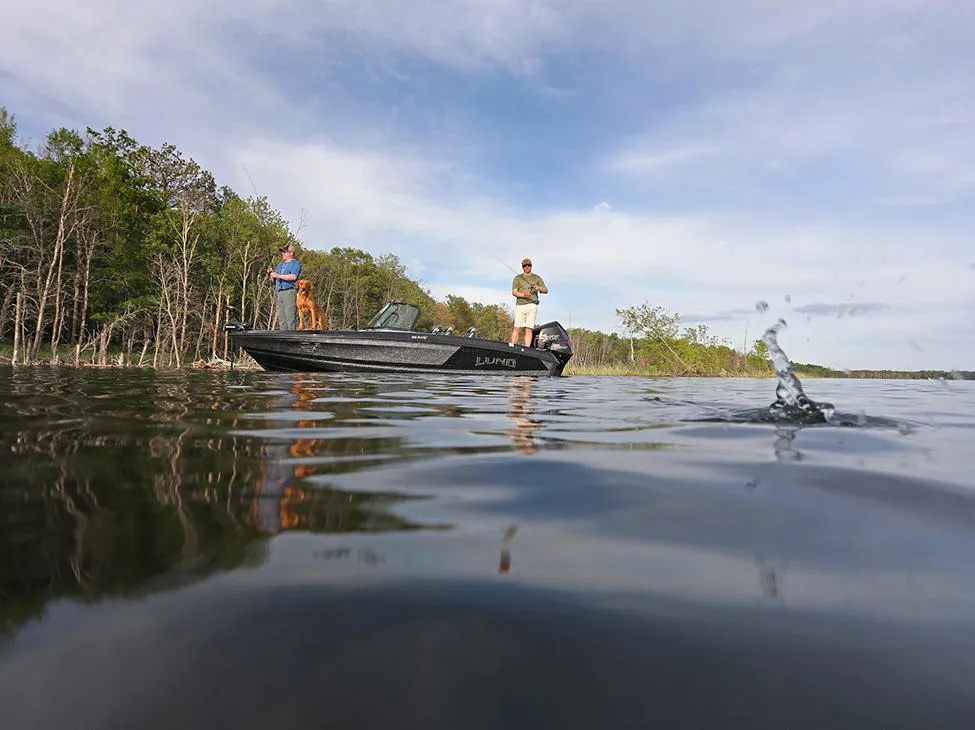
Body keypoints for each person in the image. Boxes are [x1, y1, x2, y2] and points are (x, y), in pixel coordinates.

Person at [510, 257, 548, 346]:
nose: (527, 267)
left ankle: (527, 349)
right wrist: (523, 295)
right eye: (525, 265)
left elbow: (546, 290)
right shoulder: (518, 278)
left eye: (528, 265)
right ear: (522, 267)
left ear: (531, 266)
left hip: (532, 305)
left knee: (529, 328)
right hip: (521, 305)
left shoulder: (537, 278)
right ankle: (511, 347)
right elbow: (514, 292)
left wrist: (538, 288)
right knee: (517, 328)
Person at [268, 243, 302, 330]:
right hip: (280, 292)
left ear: (291, 253)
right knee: (282, 318)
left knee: (290, 317)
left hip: (290, 292)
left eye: (285, 252)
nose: (282, 253)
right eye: (282, 252)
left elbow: (293, 277)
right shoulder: (280, 265)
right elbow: (274, 280)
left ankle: (292, 339)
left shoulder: (296, 264)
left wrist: (277, 275)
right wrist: (271, 274)